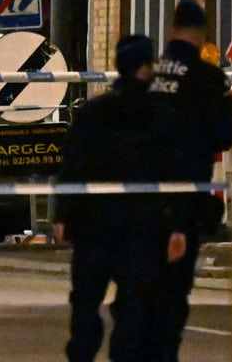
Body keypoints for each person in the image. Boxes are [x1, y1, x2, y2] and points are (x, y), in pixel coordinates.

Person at [55, 34, 190, 361]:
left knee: (86, 299)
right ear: (147, 67)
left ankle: (82, 352)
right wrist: (179, 226)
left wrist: (62, 216)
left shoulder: (92, 113)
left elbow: (72, 167)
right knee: (134, 305)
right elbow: (179, 175)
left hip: (94, 225)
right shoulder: (165, 115)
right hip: (144, 227)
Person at [147, 0, 232, 361]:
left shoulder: (147, 74)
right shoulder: (207, 79)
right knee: (173, 294)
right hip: (184, 203)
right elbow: (222, 136)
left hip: (139, 202)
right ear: (201, 35)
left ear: (171, 30)